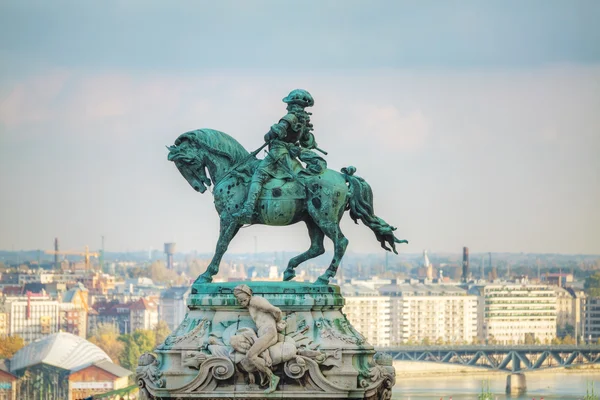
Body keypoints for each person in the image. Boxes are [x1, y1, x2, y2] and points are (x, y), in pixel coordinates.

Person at [233, 89, 323, 223]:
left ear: (292, 104)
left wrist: (271, 134)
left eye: (289, 103)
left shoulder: (290, 117)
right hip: (290, 155)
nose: (287, 106)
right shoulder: (303, 120)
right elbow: (307, 142)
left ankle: (248, 209)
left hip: (278, 152)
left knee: (258, 175)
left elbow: (276, 132)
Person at [233, 284, 286, 393]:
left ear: (248, 294)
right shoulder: (251, 304)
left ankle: (273, 378)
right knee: (254, 354)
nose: (239, 301)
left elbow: (276, 310)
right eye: (238, 299)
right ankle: (269, 376)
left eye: (241, 298)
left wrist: (279, 321)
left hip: (268, 331)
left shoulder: (255, 301)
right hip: (265, 333)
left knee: (250, 355)